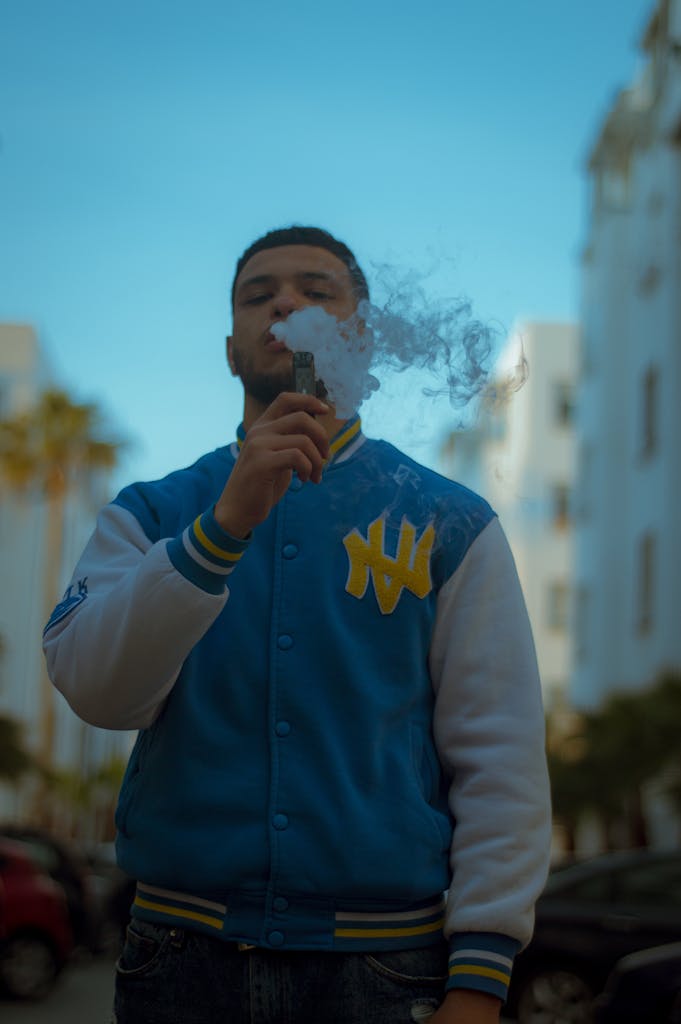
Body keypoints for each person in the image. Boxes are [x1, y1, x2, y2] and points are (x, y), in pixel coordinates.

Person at [43, 225, 551, 1024]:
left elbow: (500, 754)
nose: (284, 303)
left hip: (384, 971)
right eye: (258, 294)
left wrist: (481, 977)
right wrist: (219, 531)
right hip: (178, 962)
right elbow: (100, 694)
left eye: (317, 292)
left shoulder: (450, 521)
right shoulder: (150, 513)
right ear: (229, 347)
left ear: (360, 337)